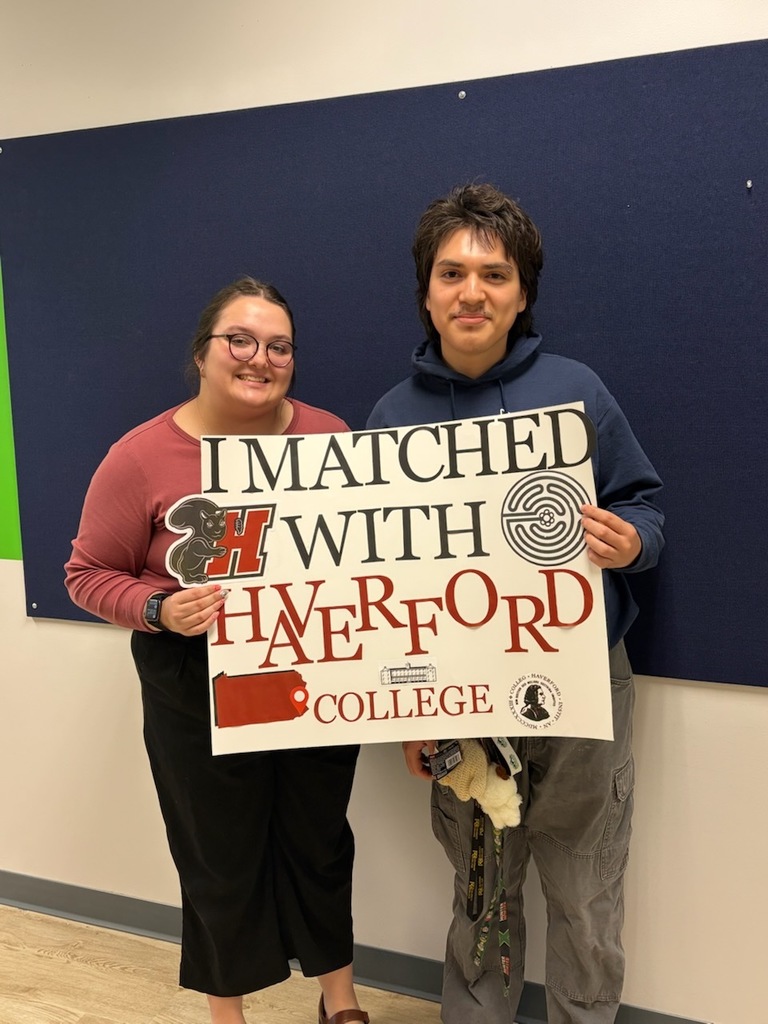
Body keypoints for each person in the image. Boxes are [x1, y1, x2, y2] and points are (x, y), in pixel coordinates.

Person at [367, 184, 664, 1024]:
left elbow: (645, 509)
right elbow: (380, 588)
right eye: (452, 272)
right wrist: (407, 709)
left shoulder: (579, 392)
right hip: (459, 695)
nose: (472, 292)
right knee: (479, 894)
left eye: (493, 274)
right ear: (426, 290)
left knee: (585, 889)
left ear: (522, 292)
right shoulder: (390, 417)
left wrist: (630, 542)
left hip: (581, 688)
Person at [65, 278, 369, 1024]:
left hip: (309, 667)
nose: (259, 357)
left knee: (320, 838)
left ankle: (341, 1000)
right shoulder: (139, 457)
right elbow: (85, 575)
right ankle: (226, 1015)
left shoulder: (330, 439)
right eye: (240, 340)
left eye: (279, 345)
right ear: (202, 353)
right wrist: (159, 607)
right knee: (217, 852)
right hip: (192, 676)